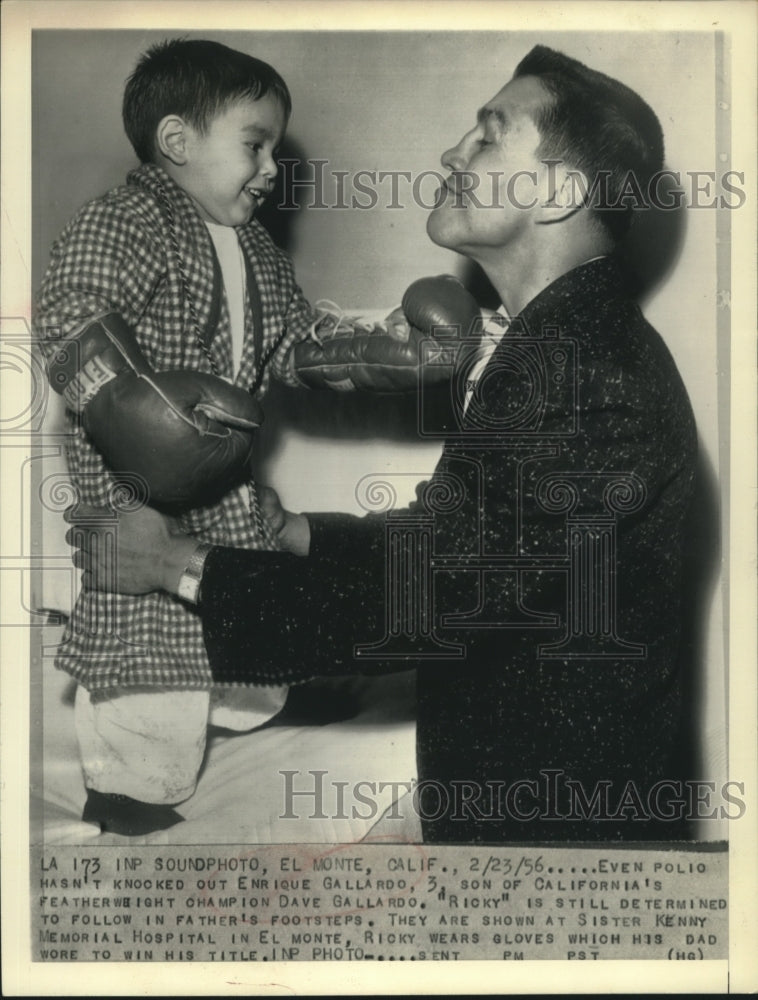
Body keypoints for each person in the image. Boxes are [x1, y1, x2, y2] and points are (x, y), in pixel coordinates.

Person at [68, 46, 698, 844]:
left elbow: (421, 605)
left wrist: (173, 565)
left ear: (559, 193)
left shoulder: (591, 374)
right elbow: (456, 553)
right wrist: (301, 533)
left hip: (550, 836)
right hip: (499, 788)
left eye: (488, 135)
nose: (452, 153)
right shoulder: (564, 344)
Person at [34, 38, 434, 837]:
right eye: (254, 145)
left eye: (275, 150)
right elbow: (69, 307)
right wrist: (125, 400)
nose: (271, 167)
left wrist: (377, 351)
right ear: (177, 141)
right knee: (154, 649)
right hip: (138, 492)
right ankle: (130, 791)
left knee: (240, 608)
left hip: (227, 485)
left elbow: (295, 339)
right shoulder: (127, 218)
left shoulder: (255, 249)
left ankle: (257, 703)